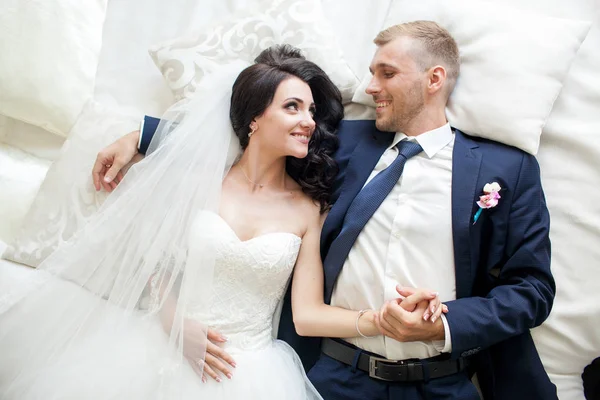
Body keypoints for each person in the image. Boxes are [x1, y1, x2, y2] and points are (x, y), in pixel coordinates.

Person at [92, 22, 556, 400]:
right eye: (371, 72)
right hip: (335, 376)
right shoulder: (348, 142)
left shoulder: (507, 170)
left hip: (444, 381)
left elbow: (532, 289)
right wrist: (144, 136)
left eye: (386, 73)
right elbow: (255, 134)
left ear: (434, 79)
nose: (369, 86)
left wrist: (445, 321)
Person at [0, 45, 447, 400]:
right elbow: (152, 262)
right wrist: (175, 327)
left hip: (250, 373)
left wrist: (380, 321)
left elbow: (308, 316)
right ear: (254, 118)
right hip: (159, 352)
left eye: (311, 112)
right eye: (293, 107)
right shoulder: (198, 180)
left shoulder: (308, 210)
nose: (309, 122)